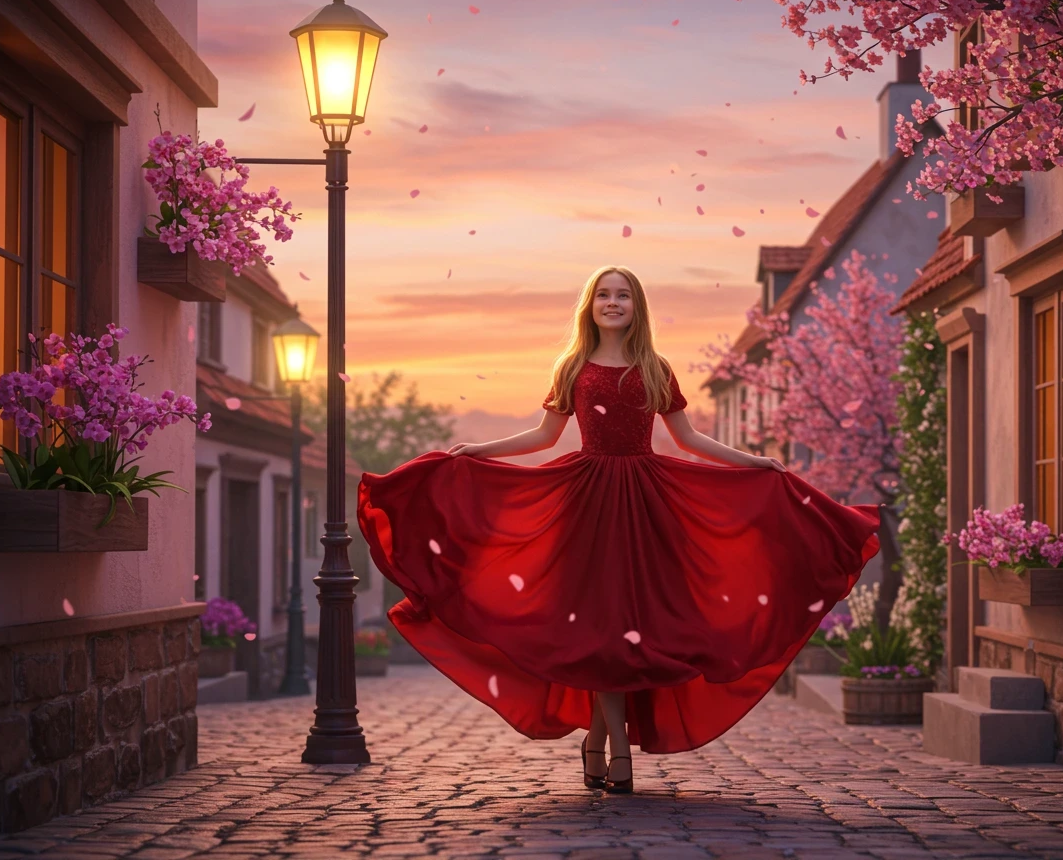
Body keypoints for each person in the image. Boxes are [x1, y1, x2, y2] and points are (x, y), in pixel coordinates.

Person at [356, 266, 881, 795]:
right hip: (584, 509)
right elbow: (544, 435)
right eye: (603, 295)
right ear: (590, 305)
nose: (612, 302)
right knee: (599, 633)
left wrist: (754, 462)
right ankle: (616, 750)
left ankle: (596, 744)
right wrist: (479, 451)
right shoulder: (573, 366)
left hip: (647, 510)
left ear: (637, 306)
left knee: (630, 634)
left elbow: (690, 438)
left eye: (622, 295)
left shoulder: (656, 368)